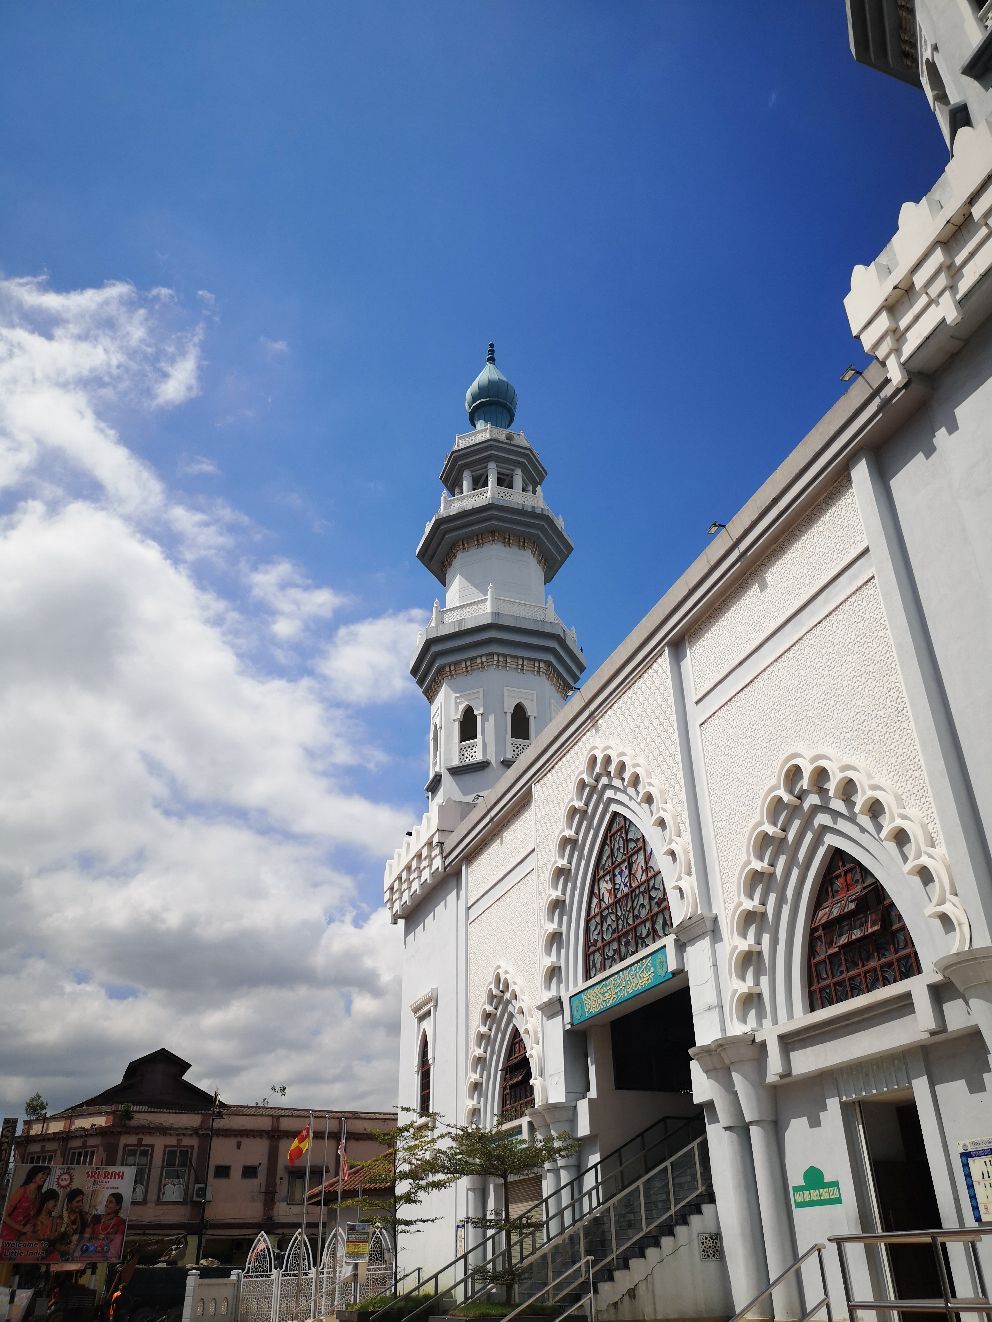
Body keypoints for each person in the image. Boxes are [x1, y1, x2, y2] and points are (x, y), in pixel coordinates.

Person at [1, 1168, 50, 1242]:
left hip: (21, 1237)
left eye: (47, 1175)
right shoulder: (22, 1191)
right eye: (43, 1173)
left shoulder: (38, 1195)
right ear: (34, 1174)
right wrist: (21, 1228)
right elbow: (4, 1216)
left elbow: (33, 1216)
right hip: (8, 1233)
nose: (46, 1177)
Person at [82, 1194, 126, 1262]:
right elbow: (85, 1239)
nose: (106, 1204)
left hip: (104, 1257)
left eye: (110, 1202)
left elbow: (115, 1247)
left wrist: (101, 1250)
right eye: (107, 1201)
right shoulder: (95, 1218)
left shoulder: (120, 1223)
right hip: (89, 1252)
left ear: (118, 1206)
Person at [52, 1190, 86, 1262]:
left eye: (81, 1201)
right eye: (77, 1201)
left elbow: (83, 1239)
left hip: (74, 1257)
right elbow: (53, 1240)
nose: (80, 1204)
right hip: (57, 1256)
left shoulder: (83, 1219)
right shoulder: (60, 1218)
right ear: (69, 1203)